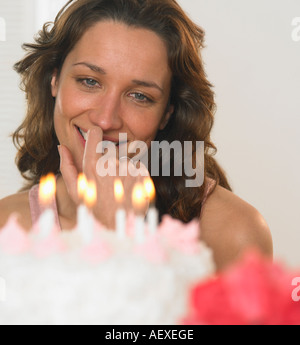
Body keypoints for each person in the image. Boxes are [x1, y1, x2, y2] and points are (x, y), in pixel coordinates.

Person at [0, 0, 272, 271]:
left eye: (139, 96)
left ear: (167, 113)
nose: (106, 120)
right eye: (89, 81)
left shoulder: (233, 233)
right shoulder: (6, 227)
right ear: (55, 79)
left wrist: (117, 233)